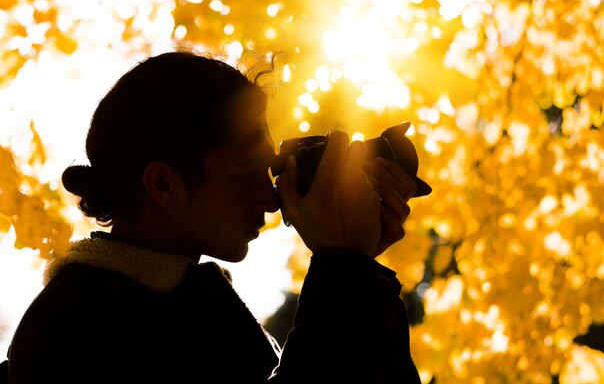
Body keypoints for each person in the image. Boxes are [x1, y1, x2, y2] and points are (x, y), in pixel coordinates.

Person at [3, 50, 429, 383]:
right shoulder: (84, 327)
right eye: (247, 173)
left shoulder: (163, 302)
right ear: (165, 184)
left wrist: (362, 272)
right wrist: (344, 267)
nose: (270, 196)